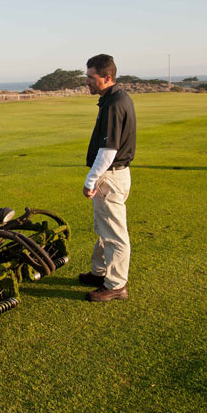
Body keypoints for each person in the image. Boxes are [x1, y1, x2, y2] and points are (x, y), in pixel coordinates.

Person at [77, 54, 136, 302]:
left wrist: (91, 180)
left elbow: (108, 150)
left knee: (114, 234)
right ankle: (100, 272)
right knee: (103, 228)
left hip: (110, 177)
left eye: (91, 78)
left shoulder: (113, 104)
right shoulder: (115, 98)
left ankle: (115, 284)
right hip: (116, 175)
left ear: (107, 77)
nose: (87, 82)